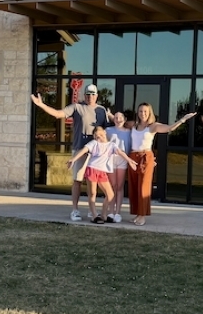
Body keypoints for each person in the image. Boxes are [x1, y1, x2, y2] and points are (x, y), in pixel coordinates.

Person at [31, 84, 111, 221]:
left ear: (97, 96)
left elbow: (106, 131)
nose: (90, 97)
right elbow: (58, 114)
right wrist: (41, 105)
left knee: (93, 183)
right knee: (78, 181)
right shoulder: (77, 107)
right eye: (88, 94)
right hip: (80, 150)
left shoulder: (102, 110)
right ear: (84, 95)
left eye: (93, 94)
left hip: (96, 153)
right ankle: (75, 210)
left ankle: (93, 211)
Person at [128, 102, 197, 226]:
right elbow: (119, 122)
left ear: (149, 113)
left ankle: (142, 215)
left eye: (145, 111)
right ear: (137, 113)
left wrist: (183, 119)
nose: (143, 114)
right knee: (134, 187)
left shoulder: (153, 126)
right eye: (140, 111)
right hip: (133, 157)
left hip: (145, 157)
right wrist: (111, 116)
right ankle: (138, 213)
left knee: (144, 187)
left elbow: (169, 128)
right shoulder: (134, 125)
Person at [66, 126, 138, 224]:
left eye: (100, 134)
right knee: (92, 193)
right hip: (92, 169)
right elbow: (83, 150)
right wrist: (73, 159)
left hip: (102, 172)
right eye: (96, 136)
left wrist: (129, 160)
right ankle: (94, 215)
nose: (99, 137)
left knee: (111, 194)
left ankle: (104, 214)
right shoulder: (93, 143)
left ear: (105, 132)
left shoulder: (111, 145)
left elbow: (120, 152)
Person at [105, 111, 132, 223]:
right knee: (112, 186)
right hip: (110, 159)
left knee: (119, 187)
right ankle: (110, 211)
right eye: (116, 117)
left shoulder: (129, 132)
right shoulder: (108, 130)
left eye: (120, 117)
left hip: (123, 159)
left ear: (125, 119)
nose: (118, 119)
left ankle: (118, 212)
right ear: (113, 119)